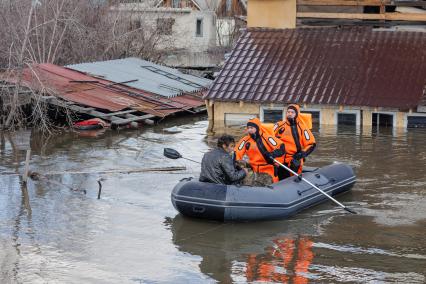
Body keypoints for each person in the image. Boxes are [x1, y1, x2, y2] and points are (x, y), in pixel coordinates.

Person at [235, 118, 285, 183]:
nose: (249, 130)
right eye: (248, 128)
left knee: (272, 185)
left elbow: (281, 147)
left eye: (252, 128)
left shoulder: (267, 138)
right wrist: (238, 166)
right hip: (254, 170)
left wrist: (272, 154)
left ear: (257, 127)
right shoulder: (245, 140)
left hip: (268, 168)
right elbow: (237, 152)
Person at [274, 104, 316, 180]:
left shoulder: (302, 128)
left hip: (294, 159)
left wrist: (300, 154)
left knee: (293, 178)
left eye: (292, 112)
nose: (290, 114)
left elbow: (311, 144)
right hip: (280, 159)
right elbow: (268, 138)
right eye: (288, 112)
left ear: (296, 114)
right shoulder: (278, 125)